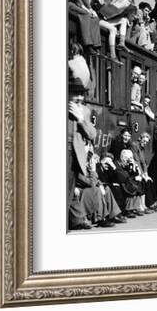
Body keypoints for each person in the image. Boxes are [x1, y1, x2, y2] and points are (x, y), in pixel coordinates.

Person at [67, 77, 97, 230]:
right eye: (76, 93)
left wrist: (80, 120)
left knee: (69, 187)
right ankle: (77, 220)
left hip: (74, 155)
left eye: (82, 94)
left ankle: (77, 220)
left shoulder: (84, 111)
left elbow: (92, 134)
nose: (80, 97)